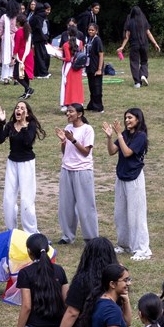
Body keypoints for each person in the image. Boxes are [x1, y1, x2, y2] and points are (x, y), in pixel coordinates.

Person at [103, 108, 151, 261]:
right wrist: (110, 137)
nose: (127, 120)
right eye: (126, 118)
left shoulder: (141, 136)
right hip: (121, 177)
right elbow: (112, 151)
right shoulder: (124, 134)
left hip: (134, 178)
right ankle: (124, 245)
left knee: (136, 215)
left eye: (130, 118)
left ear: (138, 119)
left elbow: (127, 152)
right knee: (120, 214)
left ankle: (142, 249)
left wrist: (118, 134)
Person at [0, 100, 44, 233]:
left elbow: (28, 142)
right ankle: (11, 230)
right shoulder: (10, 125)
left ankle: (31, 232)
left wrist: (23, 125)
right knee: (8, 198)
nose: (18, 110)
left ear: (27, 113)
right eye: (17, 108)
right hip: (12, 163)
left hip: (26, 163)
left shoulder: (31, 125)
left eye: (22, 108)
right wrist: (2, 122)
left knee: (26, 199)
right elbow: (0, 140)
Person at [54, 104, 98, 245]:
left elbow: (86, 152)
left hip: (83, 170)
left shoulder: (87, 129)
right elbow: (65, 152)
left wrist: (73, 140)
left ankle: (91, 238)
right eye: (67, 111)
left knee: (86, 206)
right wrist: (63, 141)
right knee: (66, 206)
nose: (68, 114)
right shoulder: (68, 128)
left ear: (79, 114)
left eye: (71, 111)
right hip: (67, 169)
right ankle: (67, 236)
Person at [116, 6, 159, 88]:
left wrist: (122, 47)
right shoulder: (144, 21)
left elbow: (127, 36)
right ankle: (143, 75)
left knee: (134, 63)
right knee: (144, 61)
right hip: (144, 44)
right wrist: (155, 43)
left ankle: (137, 82)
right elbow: (148, 33)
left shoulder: (130, 22)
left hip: (134, 45)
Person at [59, 25, 85, 109]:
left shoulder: (66, 44)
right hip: (78, 66)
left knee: (67, 85)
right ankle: (78, 101)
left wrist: (59, 57)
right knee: (77, 85)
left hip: (69, 67)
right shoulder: (80, 42)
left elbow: (68, 59)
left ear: (68, 33)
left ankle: (66, 103)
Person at [82, 23, 105, 112]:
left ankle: (98, 107)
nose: (90, 31)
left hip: (96, 67)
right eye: (89, 30)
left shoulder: (97, 40)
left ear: (96, 31)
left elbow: (101, 54)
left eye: (92, 30)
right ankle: (92, 105)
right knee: (91, 87)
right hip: (90, 66)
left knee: (97, 87)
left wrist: (99, 69)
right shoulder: (89, 39)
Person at [0, 1, 17, 85]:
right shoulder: (17, 17)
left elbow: (0, 30)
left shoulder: (3, 17)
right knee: (15, 56)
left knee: (6, 56)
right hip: (15, 38)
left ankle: (6, 78)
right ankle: (15, 78)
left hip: (6, 39)